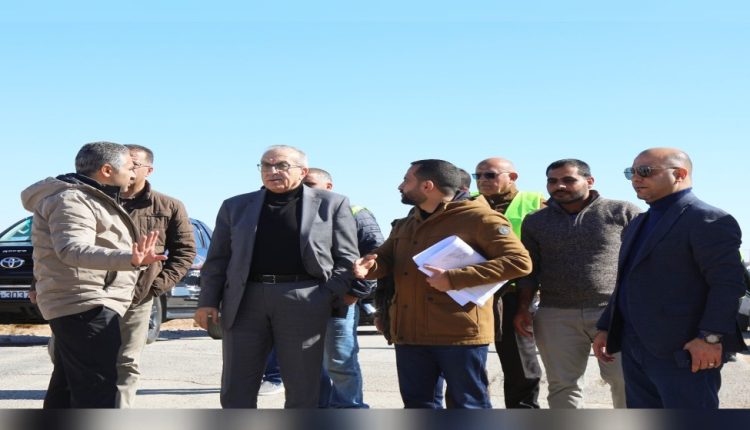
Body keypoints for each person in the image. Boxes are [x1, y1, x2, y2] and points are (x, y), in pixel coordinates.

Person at [353, 159, 532, 409]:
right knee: (418, 407)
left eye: (406, 180)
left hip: (458, 333)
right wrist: (369, 267)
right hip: (410, 333)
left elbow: (519, 262)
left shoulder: (479, 218)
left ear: (427, 186)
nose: (400, 186)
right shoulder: (406, 223)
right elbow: (385, 259)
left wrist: (454, 278)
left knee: (468, 407)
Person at [194, 145, 359, 409]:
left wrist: (327, 296)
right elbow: (218, 259)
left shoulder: (332, 204)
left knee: (304, 386)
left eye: (281, 165)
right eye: (266, 165)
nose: (272, 171)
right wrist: (207, 301)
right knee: (237, 384)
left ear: (302, 171)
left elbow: (347, 257)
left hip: (305, 298)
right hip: (245, 299)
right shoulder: (235, 206)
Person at [593, 148, 747, 409]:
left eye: (645, 171)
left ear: (680, 174)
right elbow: (627, 281)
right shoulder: (638, 223)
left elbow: (728, 285)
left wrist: (710, 338)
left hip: (685, 351)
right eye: (631, 172)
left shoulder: (708, 219)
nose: (636, 178)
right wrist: (606, 327)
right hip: (635, 349)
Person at [20, 141, 166, 408]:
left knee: (66, 390)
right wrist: (130, 259)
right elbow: (71, 249)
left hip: (86, 304)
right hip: (85, 304)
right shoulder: (72, 199)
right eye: (129, 167)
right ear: (107, 170)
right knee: (97, 394)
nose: (132, 174)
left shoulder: (87, 197)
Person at [514, 159, 640, 409]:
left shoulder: (622, 211)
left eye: (568, 180)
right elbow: (530, 270)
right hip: (555, 314)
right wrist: (523, 308)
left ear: (589, 181)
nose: (559, 186)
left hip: (613, 313)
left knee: (626, 381)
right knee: (562, 385)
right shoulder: (535, 220)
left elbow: (643, 263)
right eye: (552, 181)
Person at [115, 144, 197, 407]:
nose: (126, 169)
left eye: (133, 164)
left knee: (126, 361)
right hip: (90, 293)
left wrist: (155, 286)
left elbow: (185, 251)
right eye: (121, 163)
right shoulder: (95, 200)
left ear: (149, 170)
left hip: (137, 296)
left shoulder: (168, 206)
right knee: (66, 356)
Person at [303, 167, 384, 408]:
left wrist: (354, 294)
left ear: (329, 187)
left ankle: (349, 410)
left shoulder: (355, 213)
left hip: (339, 303)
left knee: (340, 363)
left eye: (309, 184)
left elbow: (375, 256)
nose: (304, 189)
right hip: (302, 304)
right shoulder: (293, 214)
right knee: (307, 366)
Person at [473, 157, 545, 409]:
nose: (482, 180)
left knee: (520, 364)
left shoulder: (535, 202)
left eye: (490, 175)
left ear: (512, 177)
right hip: (474, 292)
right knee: (467, 362)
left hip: (515, 294)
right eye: (478, 175)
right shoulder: (468, 203)